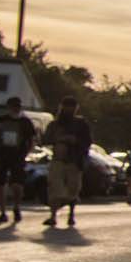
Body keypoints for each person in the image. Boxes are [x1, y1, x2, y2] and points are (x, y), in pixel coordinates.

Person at [42, 96, 92, 229]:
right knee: (55, 189)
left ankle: (71, 214)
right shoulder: (55, 124)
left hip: (74, 161)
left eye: (72, 107)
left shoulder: (81, 124)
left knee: (73, 190)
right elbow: (46, 139)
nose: (69, 110)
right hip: (58, 159)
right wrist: (59, 139)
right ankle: (53, 216)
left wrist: (75, 141)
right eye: (66, 107)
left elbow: (87, 142)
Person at [0, 97, 35, 224]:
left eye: (18, 106)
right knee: (0, 184)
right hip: (1, 156)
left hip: (18, 156)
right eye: (13, 106)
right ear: (8, 107)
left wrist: (26, 153)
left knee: (17, 184)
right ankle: (2, 212)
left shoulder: (25, 122)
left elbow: (31, 140)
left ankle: (16, 207)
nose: (15, 108)